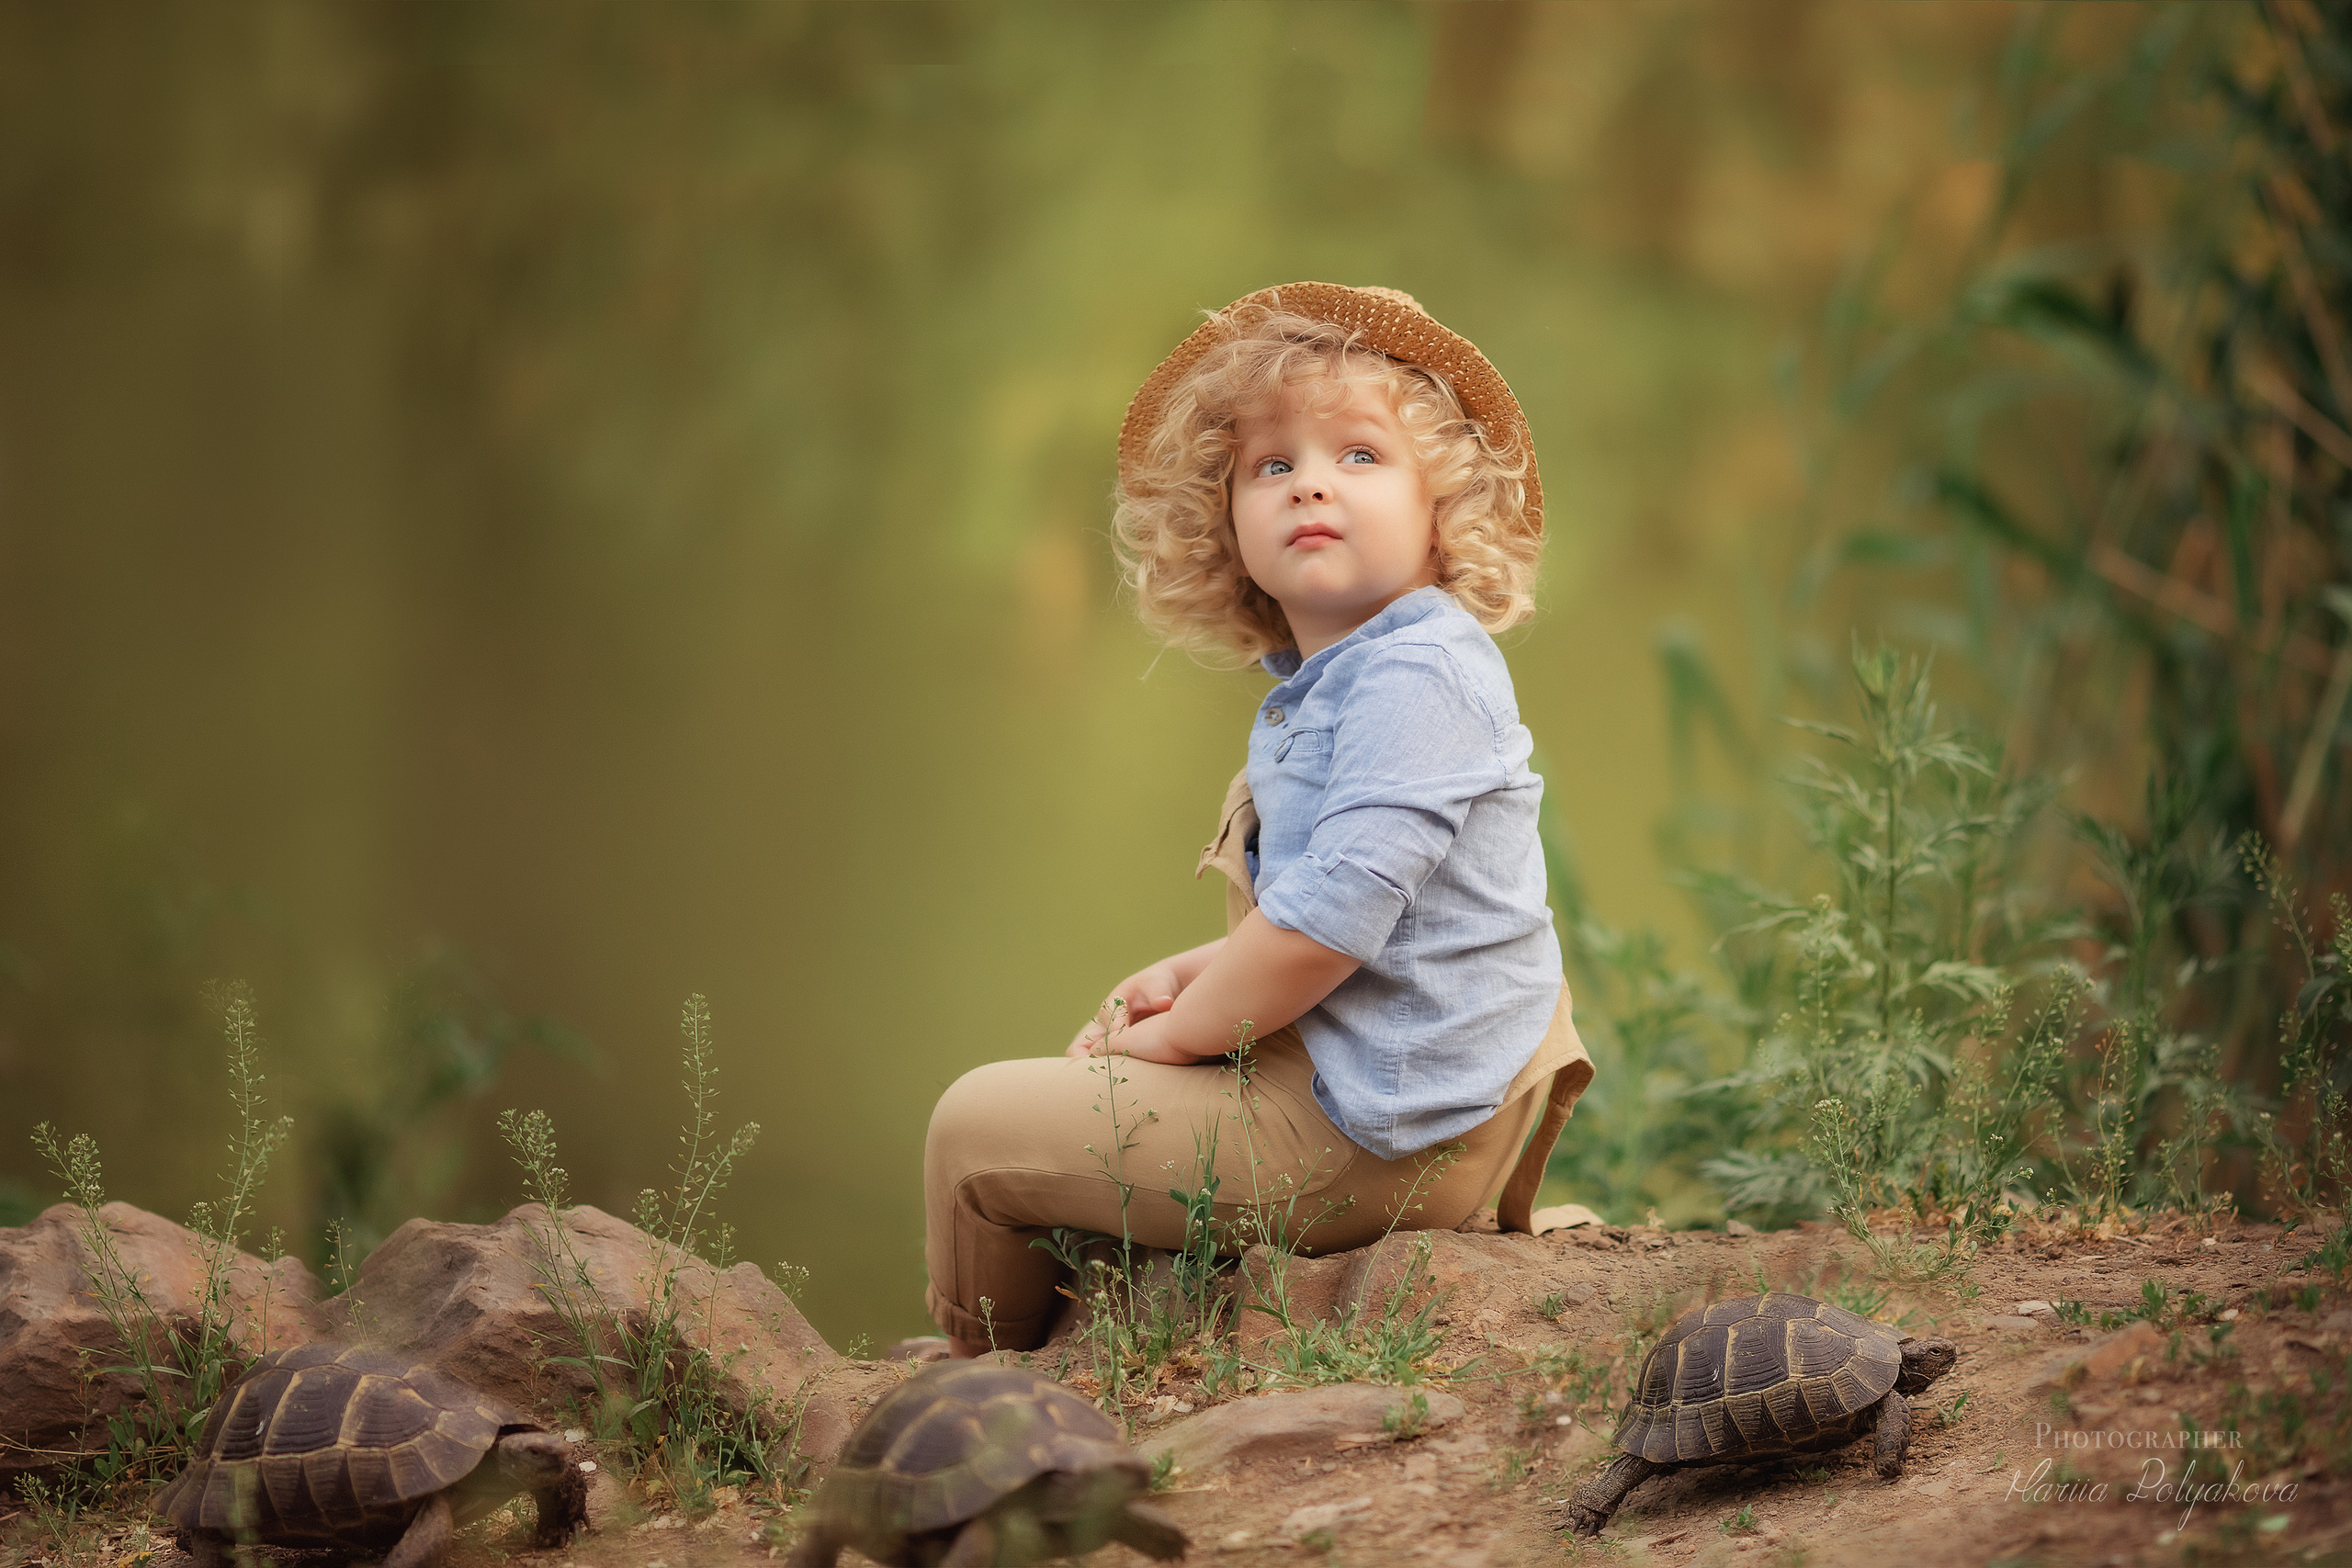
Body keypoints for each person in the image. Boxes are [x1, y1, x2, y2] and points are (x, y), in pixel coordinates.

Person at [922, 283, 1593, 1358]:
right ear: (1225, 523)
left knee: (971, 1130)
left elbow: (1332, 922)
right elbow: (1376, 903)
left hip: (1384, 1137)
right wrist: (1191, 975)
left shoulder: (1416, 673)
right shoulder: (1352, 675)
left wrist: (1179, 1039)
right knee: (1103, 1061)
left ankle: (985, 1369)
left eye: (1360, 456)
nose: (1310, 485)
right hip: (1392, 1095)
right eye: (1271, 466)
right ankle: (1094, 1321)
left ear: (1443, 510)